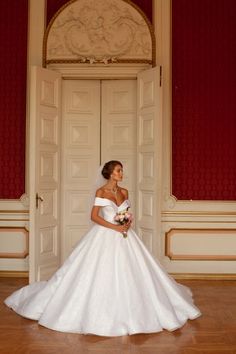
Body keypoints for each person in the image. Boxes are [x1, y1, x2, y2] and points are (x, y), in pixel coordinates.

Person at [4, 160, 201, 336]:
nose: (121, 174)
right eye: (117, 171)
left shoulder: (124, 192)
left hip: (125, 234)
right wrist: (115, 226)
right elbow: (95, 217)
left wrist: (126, 223)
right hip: (105, 234)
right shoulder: (101, 192)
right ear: (109, 174)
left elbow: (126, 212)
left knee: (137, 270)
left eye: (122, 170)